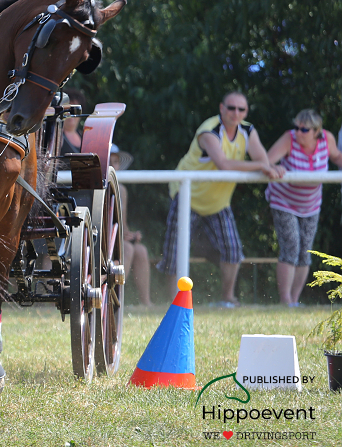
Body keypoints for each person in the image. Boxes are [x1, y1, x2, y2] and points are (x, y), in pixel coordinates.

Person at [156, 91, 285, 306]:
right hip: (188, 197)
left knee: (233, 251)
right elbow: (223, 163)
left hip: (218, 203)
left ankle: (227, 299)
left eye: (241, 109)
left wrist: (269, 167)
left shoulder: (247, 130)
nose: (236, 113)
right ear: (221, 108)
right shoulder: (209, 131)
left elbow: (262, 159)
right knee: (174, 254)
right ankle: (173, 303)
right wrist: (264, 166)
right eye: (231, 108)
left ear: (246, 111)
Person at [265, 109, 342, 306]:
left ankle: (295, 301)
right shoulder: (289, 139)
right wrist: (274, 168)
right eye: (296, 127)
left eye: (304, 129)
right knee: (291, 246)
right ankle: (286, 301)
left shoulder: (327, 139)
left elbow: (337, 157)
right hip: (283, 200)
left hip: (311, 205)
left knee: (305, 252)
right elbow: (266, 161)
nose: (298, 132)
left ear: (317, 131)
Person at [110, 145, 153, 306]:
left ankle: (146, 302)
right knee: (127, 249)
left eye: (116, 161)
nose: (114, 165)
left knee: (141, 250)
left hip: (118, 238)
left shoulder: (122, 190)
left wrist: (131, 234)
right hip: (103, 239)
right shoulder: (100, 187)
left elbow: (123, 223)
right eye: (110, 161)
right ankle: (114, 299)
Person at [59, 87, 86, 155]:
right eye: (67, 109)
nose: (70, 113)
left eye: (74, 109)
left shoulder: (85, 138)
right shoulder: (54, 137)